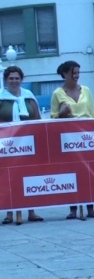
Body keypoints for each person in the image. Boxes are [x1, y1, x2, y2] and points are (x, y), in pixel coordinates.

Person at [51, 61, 94, 219]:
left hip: (86, 137)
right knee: (71, 172)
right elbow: (52, 117)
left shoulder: (86, 90)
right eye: (74, 73)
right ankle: (72, 209)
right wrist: (61, 113)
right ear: (65, 74)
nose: (77, 76)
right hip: (69, 138)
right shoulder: (57, 93)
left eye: (78, 72)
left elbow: (93, 114)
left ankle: (90, 207)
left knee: (88, 171)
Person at [0, 66, 44, 226]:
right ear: (6, 80)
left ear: (21, 79)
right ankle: (9, 213)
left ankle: (32, 211)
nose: (14, 81)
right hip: (7, 145)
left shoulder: (29, 96)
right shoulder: (0, 97)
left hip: (28, 143)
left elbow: (38, 118)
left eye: (16, 78)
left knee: (29, 177)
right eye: (11, 78)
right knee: (9, 178)